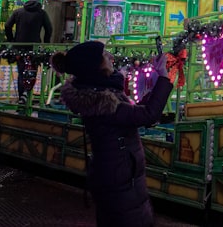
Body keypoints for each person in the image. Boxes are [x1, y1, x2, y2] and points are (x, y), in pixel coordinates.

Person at [51, 41, 171, 227]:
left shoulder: (101, 93)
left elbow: (138, 111)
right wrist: (163, 77)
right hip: (120, 181)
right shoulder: (104, 103)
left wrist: (157, 80)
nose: (110, 57)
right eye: (105, 55)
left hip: (117, 177)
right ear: (95, 66)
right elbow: (148, 114)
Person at [4, 0, 53, 105]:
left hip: (19, 47)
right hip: (34, 47)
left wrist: (12, 40)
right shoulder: (42, 13)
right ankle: (27, 94)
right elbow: (49, 28)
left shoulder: (18, 12)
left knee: (21, 72)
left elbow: (7, 26)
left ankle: (22, 95)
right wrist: (46, 43)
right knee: (31, 71)